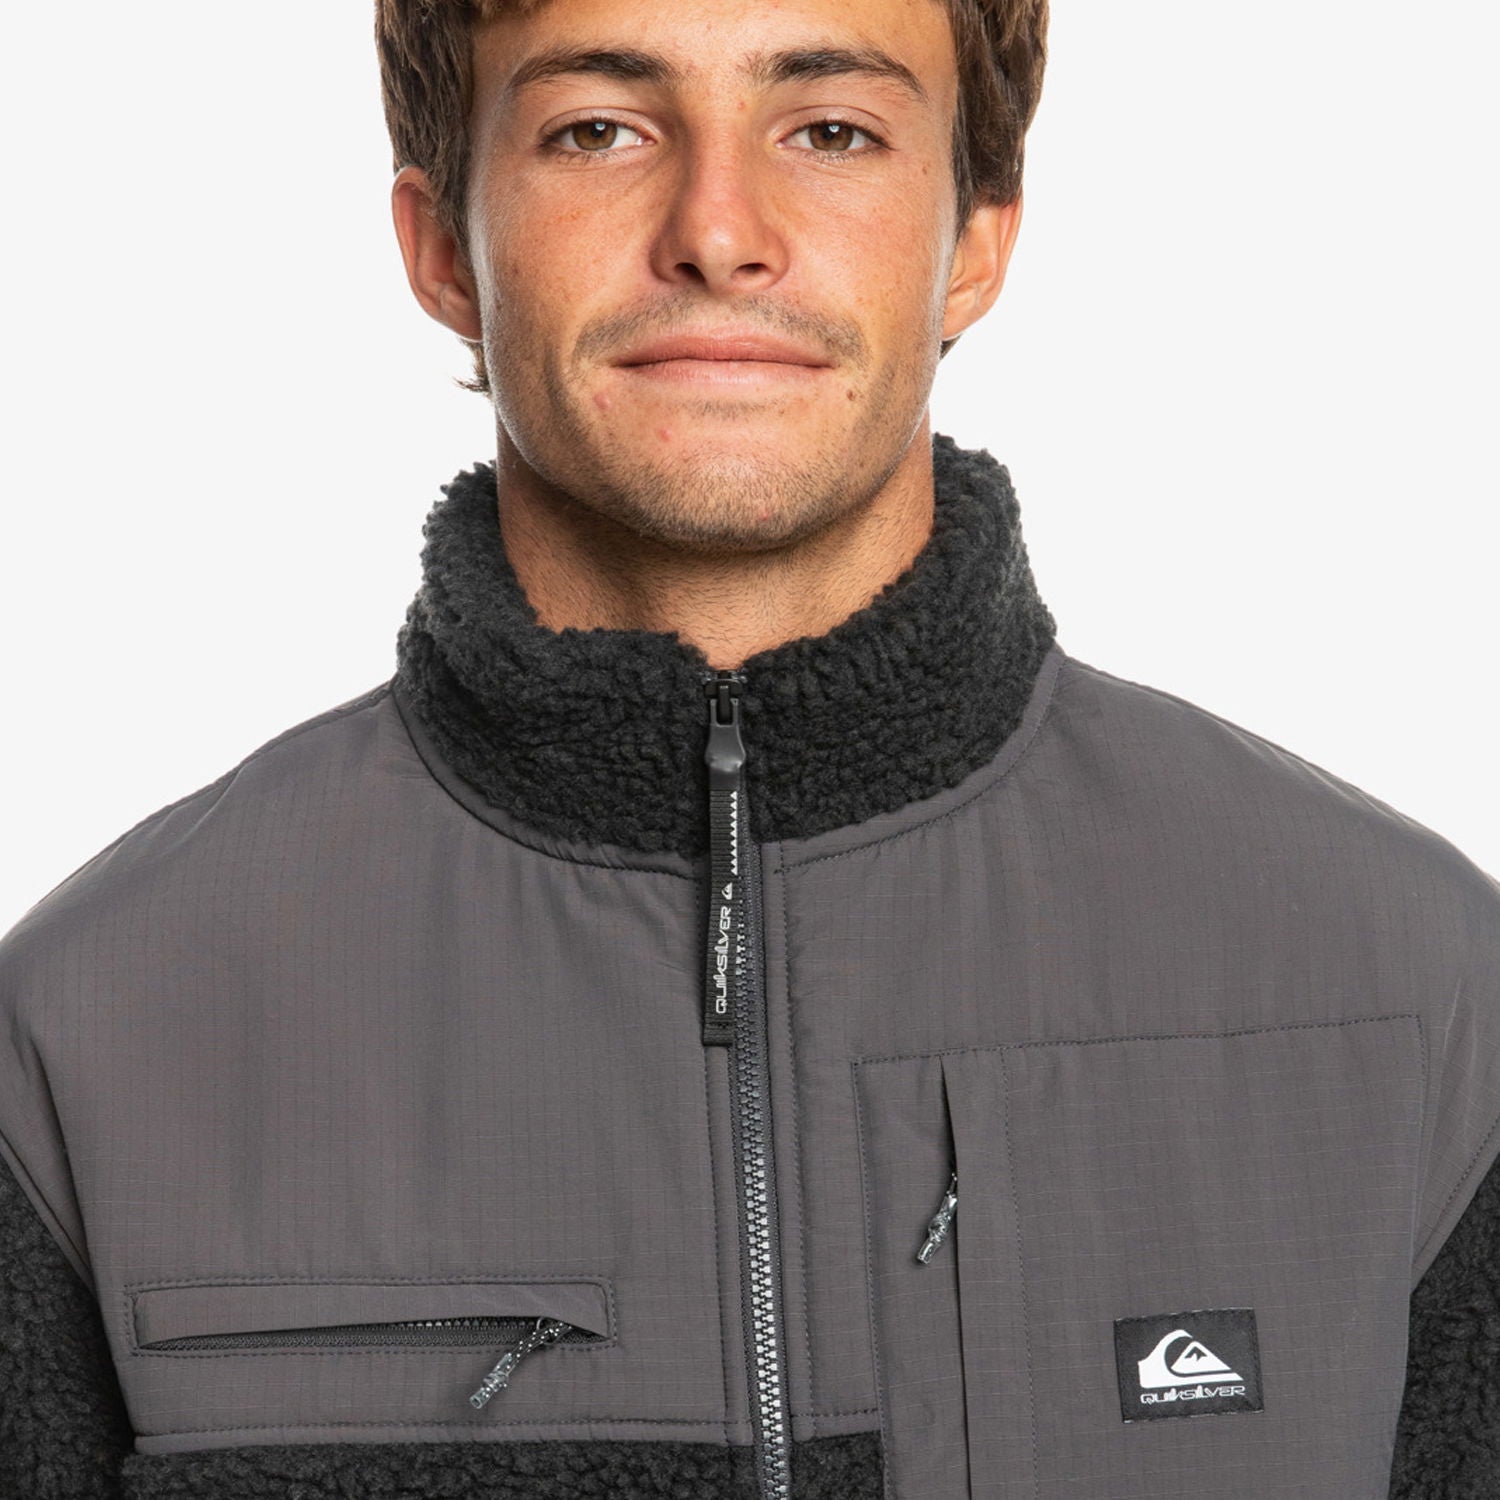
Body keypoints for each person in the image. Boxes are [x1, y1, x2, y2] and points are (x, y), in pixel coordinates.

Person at [0, 0, 1494, 1495]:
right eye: (598, 129)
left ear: (976, 238)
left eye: (831, 130)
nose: (718, 233)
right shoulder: (86, 1042)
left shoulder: (1420, 996)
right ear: (442, 246)